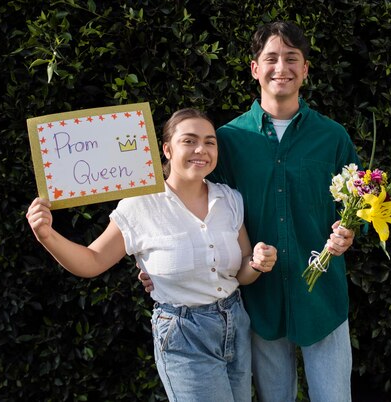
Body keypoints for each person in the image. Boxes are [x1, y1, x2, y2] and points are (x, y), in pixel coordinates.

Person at [140, 22, 360, 401]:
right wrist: (157, 264)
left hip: (322, 298)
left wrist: (351, 231)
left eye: (292, 59)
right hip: (260, 301)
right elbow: (193, 206)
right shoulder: (227, 140)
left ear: (305, 69)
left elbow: (360, 207)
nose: (282, 67)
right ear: (255, 68)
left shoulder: (333, 137)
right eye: (271, 58)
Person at [26, 108, 277, 402]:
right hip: (185, 335)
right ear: (167, 149)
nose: (201, 149)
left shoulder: (229, 199)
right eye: (189, 141)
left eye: (210, 142)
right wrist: (47, 236)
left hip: (234, 322)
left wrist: (258, 263)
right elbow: (91, 261)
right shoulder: (140, 205)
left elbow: (242, 272)